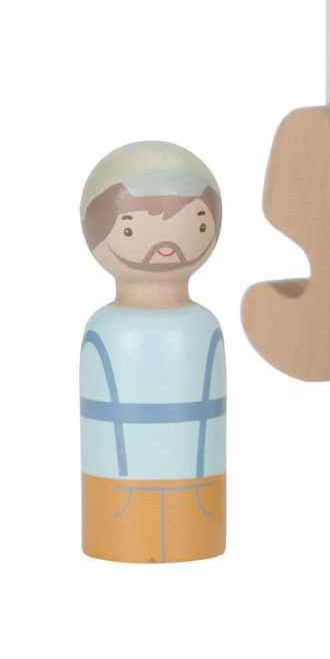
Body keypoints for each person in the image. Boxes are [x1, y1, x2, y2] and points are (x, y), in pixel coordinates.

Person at [79, 141, 226, 562]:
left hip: (197, 487)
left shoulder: (203, 328)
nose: (165, 245)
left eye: (195, 223)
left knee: (190, 525)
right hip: (114, 489)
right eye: (131, 230)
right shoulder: (105, 330)